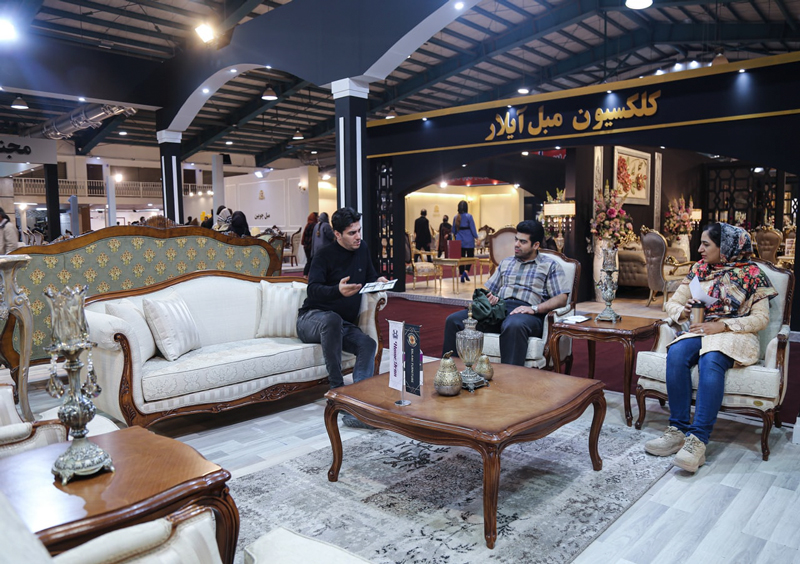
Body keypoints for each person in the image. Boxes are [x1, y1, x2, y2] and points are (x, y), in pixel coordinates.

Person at [644, 222, 777, 473]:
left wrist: (723, 325)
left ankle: (697, 441)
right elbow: (671, 304)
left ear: (724, 247)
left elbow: (761, 319)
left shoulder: (753, 274)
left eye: (706, 244)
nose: (700, 249)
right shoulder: (699, 269)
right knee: (677, 353)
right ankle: (677, 430)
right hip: (701, 329)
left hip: (735, 334)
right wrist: (683, 311)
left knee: (711, 358)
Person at [297, 207, 388, 428]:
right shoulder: (324, 255)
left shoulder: (362, 248)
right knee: (332, 320)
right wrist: (337, 291)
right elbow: (313, 290)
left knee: (368, 343)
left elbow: (370, 276)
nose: (358, 236)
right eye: (352, 233)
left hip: (341, 323)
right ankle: (338, 393)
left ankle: (360, 404)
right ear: (337, 234)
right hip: (311, 319)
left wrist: (379, 281)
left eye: (359, 231)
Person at [442, 220, 569, 366]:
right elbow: (489, 291)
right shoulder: (506, 263)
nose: (516, 244)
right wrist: (489, 298)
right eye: (516, 239)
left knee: (513, 325)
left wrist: (534, 309)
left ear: (535, 245)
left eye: (523, 242)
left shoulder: (550, 265)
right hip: (500, 309)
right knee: (454, 320)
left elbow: (562, 298)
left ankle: (510, 378)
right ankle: (449, 371)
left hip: (528, 314)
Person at [453, 200, 478, 282]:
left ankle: (461, 273)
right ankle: (466, 271)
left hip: (459, 240)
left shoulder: (456, 217)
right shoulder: (469, 216)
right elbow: (473, 228)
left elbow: (454, 231)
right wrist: (476, 237)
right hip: (469, 240)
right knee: (470, 257)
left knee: (461, 258)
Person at [301, 212, 318, 277]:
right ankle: (309, 275)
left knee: (309, 261)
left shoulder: (307, 225)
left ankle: (305, 275)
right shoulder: (314, 225)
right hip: (311, 246)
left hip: (306, 246)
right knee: (311, 261)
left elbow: (304, 236)